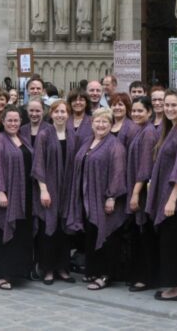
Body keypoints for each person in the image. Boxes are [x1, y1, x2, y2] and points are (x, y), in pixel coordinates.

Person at [65, 108, 127, 291]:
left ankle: (105, 275)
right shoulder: (88, 141)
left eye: (105, 122)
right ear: (92, 124)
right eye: (97, 121)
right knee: (92, 234)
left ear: (111, 124)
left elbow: (118, 173)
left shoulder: (115, 146)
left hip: (104, 199)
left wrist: (111, 197)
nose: (100, 125)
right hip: (87, 199)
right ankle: (93, 271)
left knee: (106, 235)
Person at [145, 90, 177, 302]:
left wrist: (172, 199)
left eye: (173, 105)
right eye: (166, 105)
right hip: (167, 198)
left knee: (176, 246)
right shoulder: (170, 129)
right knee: (169, 244)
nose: (169, 108)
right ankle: (173, 284)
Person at [0, 106, 35, 290]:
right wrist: (0, 191)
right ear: (3, 121)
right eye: (10, 120)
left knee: (21, 235)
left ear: (21, 122)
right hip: (7, 195)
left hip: (25, 195)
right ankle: (1, 274)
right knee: (4, 234)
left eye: (16, 120)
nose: (13, 123)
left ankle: (17, 271)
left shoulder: (23, 139)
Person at [31, 100, 76, 285]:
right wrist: (43, 190)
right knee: (48, 230)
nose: (60, 115)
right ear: (51, 114)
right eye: (56, 112)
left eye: (63, 112)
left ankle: (62, 268)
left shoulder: (72, 135)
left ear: (68, 114)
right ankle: (48, 269)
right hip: (49, 189)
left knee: (63, 230)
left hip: (67, 190)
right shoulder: (44, 135)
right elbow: (38, 164)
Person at [125, 96, 158, 292]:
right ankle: (140, 275)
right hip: (137, 188)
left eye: (140, 111)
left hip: (143, 192)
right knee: (138, 235)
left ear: (149, 112)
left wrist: (135, 193)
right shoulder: (139, 130)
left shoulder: (149, 133)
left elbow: (145, 167)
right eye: (134, 111)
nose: (136, 114)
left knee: (145, 234)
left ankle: (146, 278)